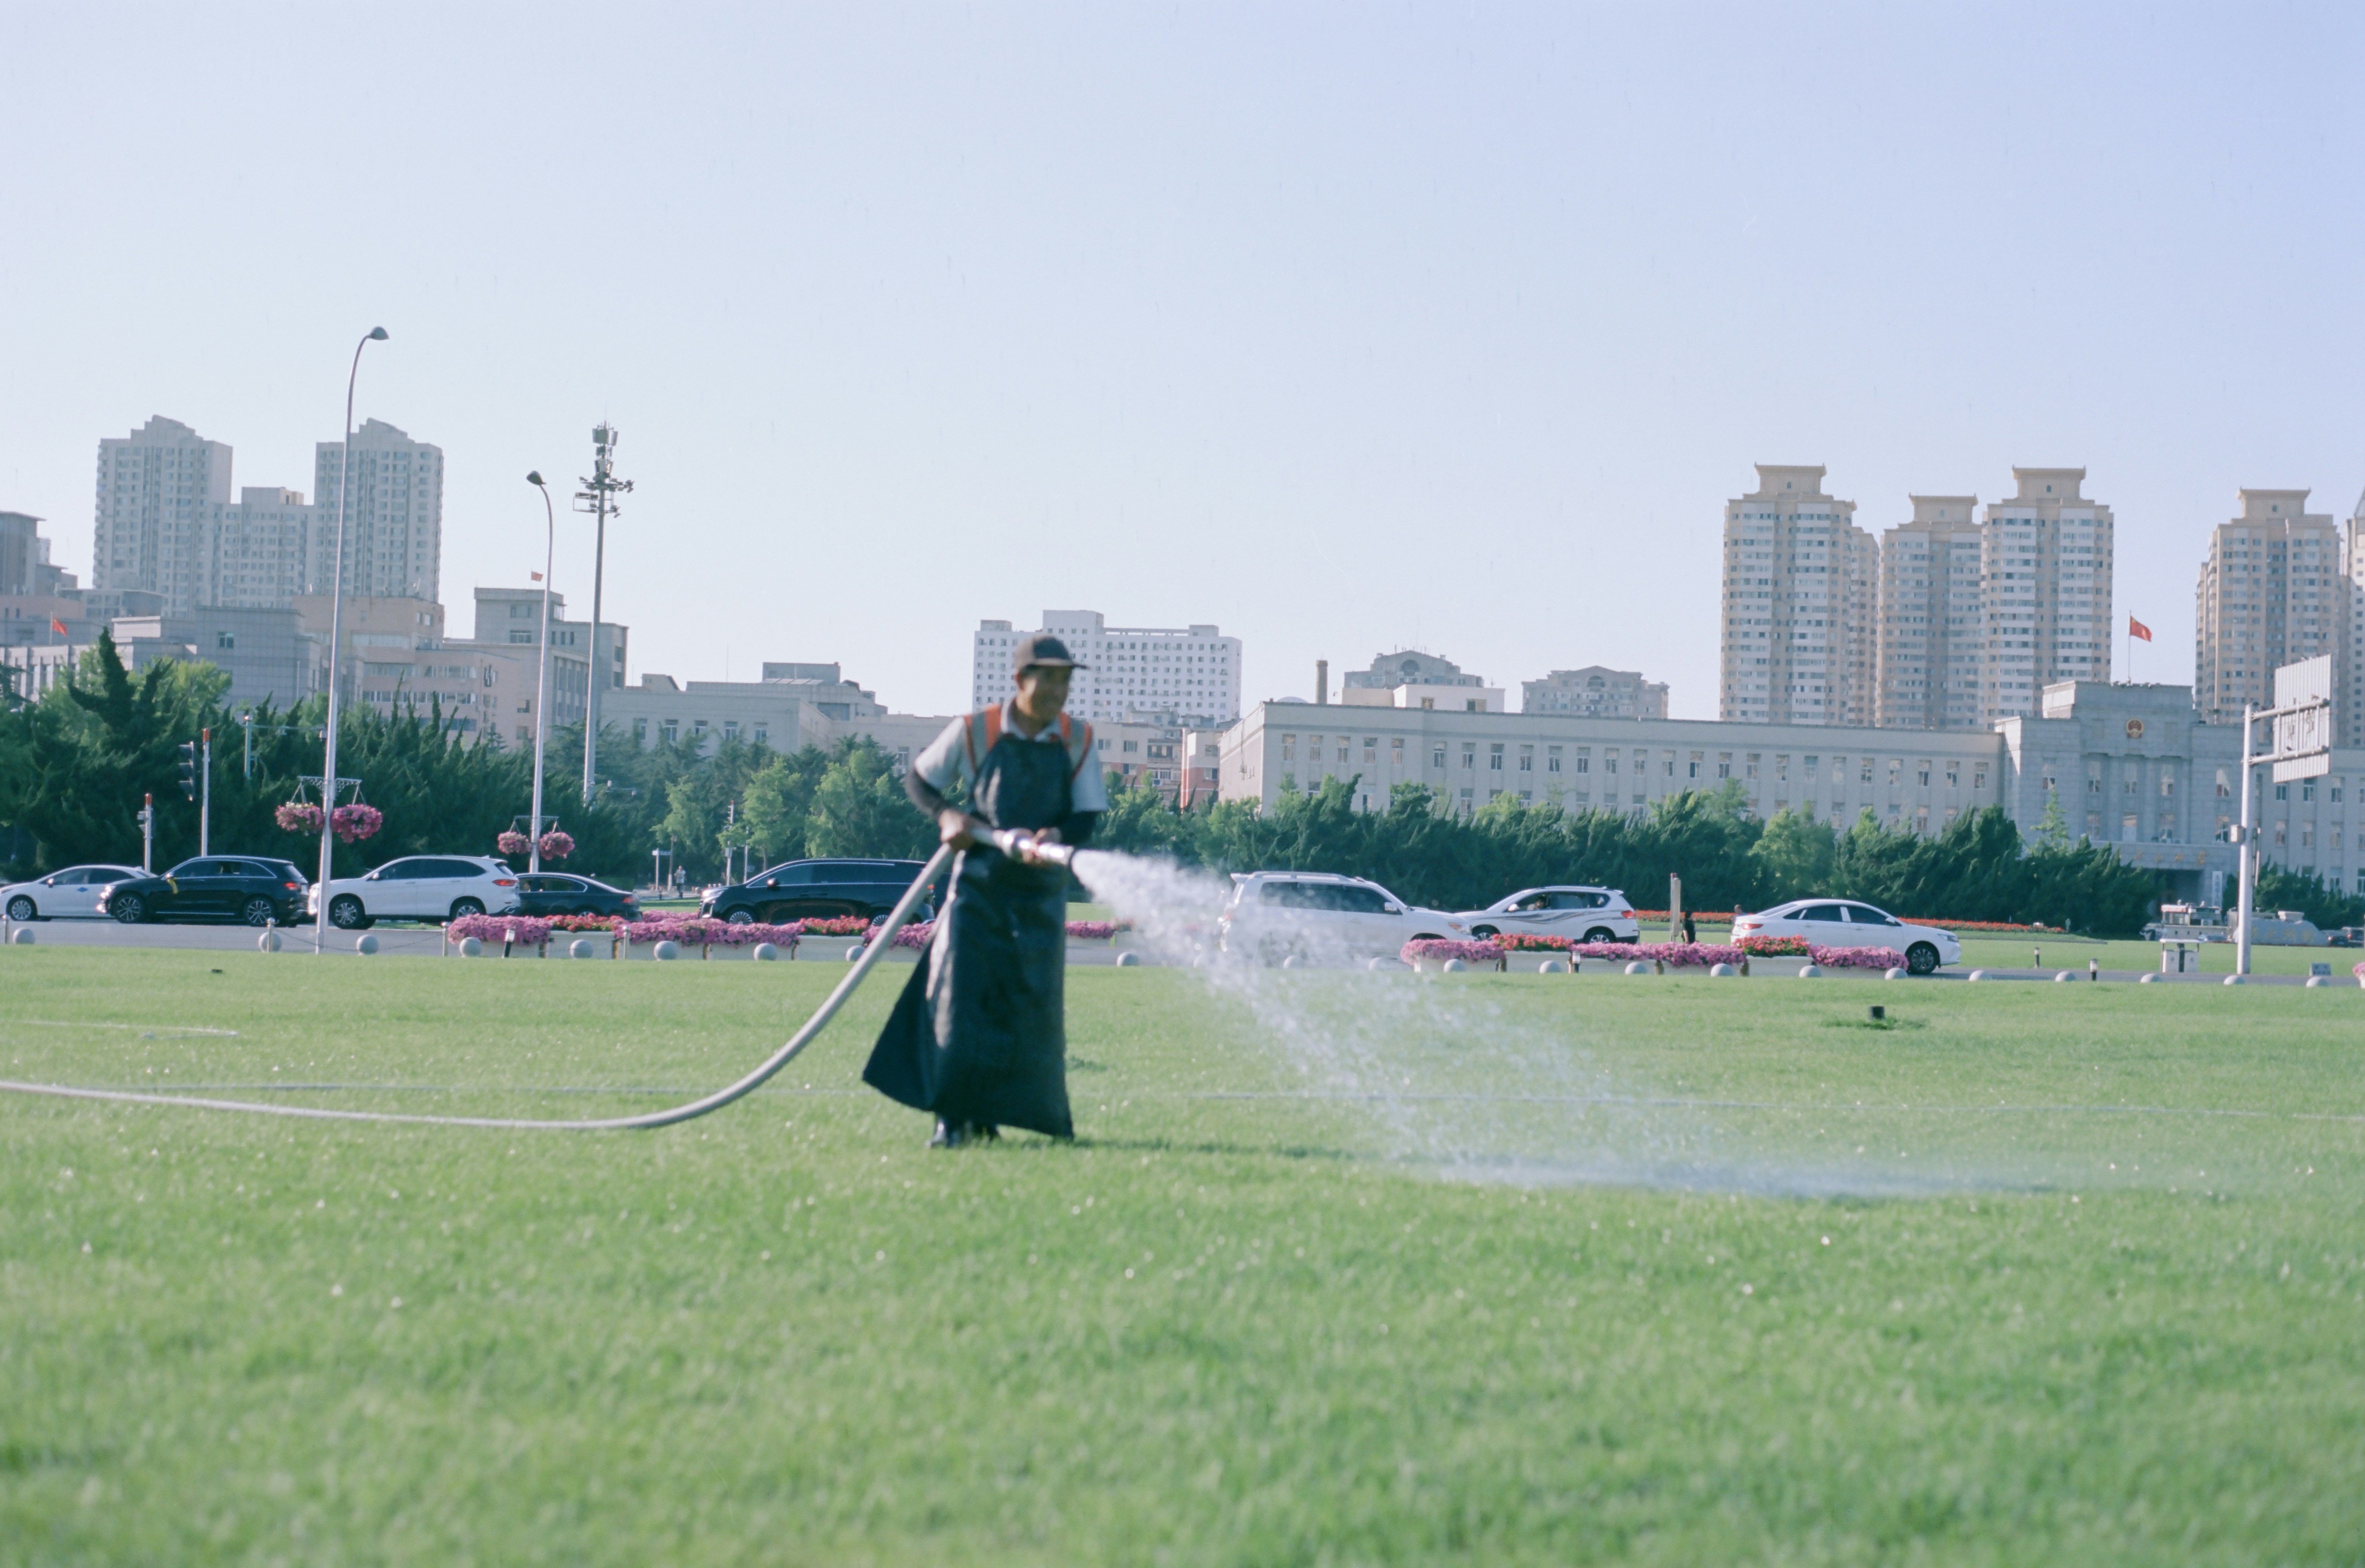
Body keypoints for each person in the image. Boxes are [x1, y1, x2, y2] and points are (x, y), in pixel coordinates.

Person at [862, 633, 1107, 1147]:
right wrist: (947, 814)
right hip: (978, 888)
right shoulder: (975, 731)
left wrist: (1056, 837)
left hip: (1039, 895)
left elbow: (1085, 816)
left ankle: (991, 1118)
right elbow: (919, 780)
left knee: (1025, 1010)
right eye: (1048, 679)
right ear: (1020, 681)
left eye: (1065, 680)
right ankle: (952, 1118)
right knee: (962, 1000)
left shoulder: (1078, 739)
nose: (1058, 691)